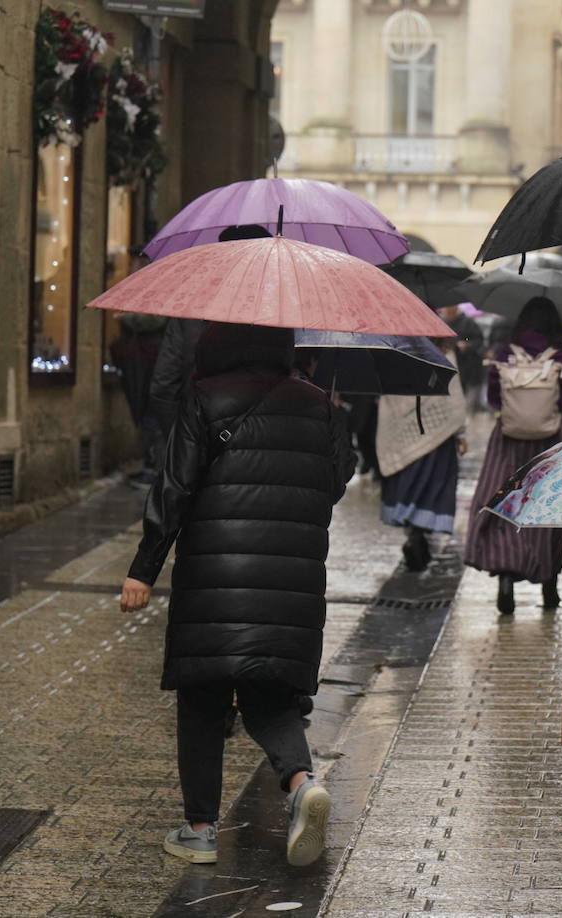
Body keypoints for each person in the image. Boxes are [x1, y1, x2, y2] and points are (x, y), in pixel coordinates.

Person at [119, 322, 356, 868]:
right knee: (270, 699)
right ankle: (301, 786)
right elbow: (335, 484)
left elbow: (173, 487)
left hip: (212, 576)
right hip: (292, 579)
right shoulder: (318, 403)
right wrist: (326, 408)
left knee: (203, 700)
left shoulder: (204, 397)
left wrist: (143, 569)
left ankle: (200, 830)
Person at [464, 297, 562, 614]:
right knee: (550, 510)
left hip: (508, 442)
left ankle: (506, 578)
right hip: (552, 443)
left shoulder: (507, 354)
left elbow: (493, 400)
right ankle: (548, 583)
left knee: (506, 503)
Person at [147, 225, 273, 444]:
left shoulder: (191, 310)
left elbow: (163, 385)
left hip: (202, 445)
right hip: (266, 448)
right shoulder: (281, 311)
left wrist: (184, 444)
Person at [375, 344, 467, 572]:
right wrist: (461, 433)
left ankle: (412, 532)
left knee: (408, 483)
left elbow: (386, 395)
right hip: (438, 435)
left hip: (402, 434)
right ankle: (420, 532)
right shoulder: (443, 351)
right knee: (432, 486)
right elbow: (453, 396)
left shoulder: (393, 349)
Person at [109, 310, 167, 487]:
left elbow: (156, 319)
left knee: (153, 420)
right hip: (147, 367)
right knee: (149, 419)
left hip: (153, 368)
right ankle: (153, 468)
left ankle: (154, 470)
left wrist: (126, 317)